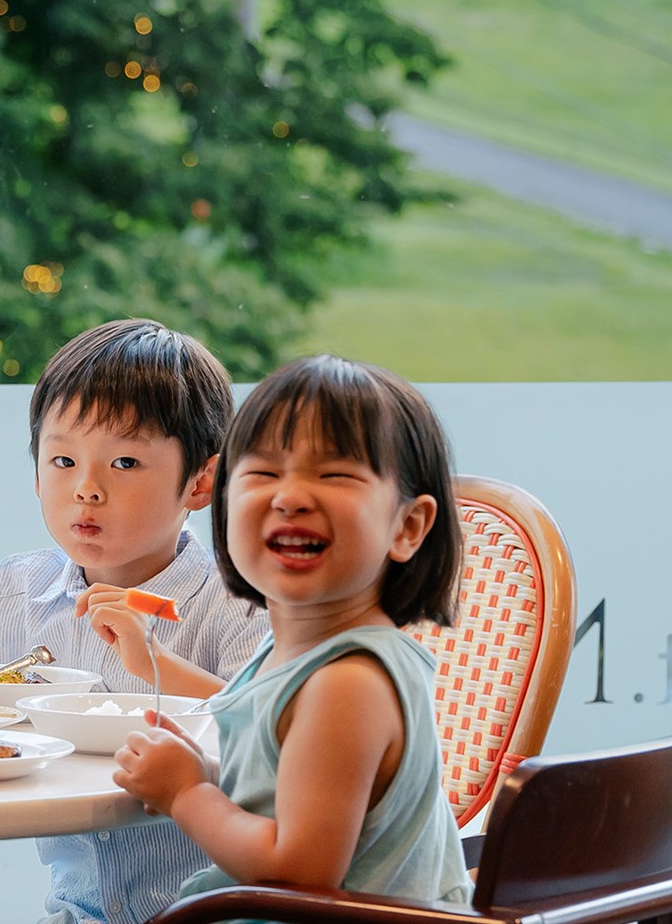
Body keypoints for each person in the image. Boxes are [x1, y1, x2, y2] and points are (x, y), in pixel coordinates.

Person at [0, 318, 268, 924]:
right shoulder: (23, 591)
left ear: (201, 482)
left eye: (124, 462)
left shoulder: (240, 600)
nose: (86, 489)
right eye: (63, 459)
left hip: (215, 913)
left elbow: (277, 738)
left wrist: (158, 663)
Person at [112, 355, 472, 906]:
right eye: (262, 473)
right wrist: (207, 769)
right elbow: (284, 777)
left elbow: (299, 869)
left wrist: (187, 793)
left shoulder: (347, 683)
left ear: (408, 526)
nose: (291, 497)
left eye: (335, 475)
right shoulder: (296, 654)